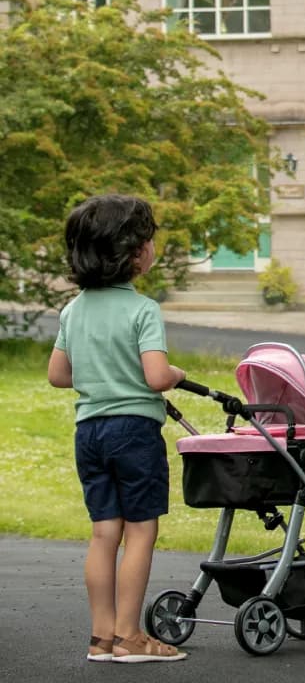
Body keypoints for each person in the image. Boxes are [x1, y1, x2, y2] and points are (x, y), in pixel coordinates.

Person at [48, 194, 188, 663]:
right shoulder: (142, 310)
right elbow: (155, 376)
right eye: (148, 240)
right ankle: (132, 636)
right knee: (140, 531)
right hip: (134, 431)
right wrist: (175, 376)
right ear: (135, 253)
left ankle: (101, 637)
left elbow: (58, 375)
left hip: (89, 433)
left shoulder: (74, 310)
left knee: (104, 532)